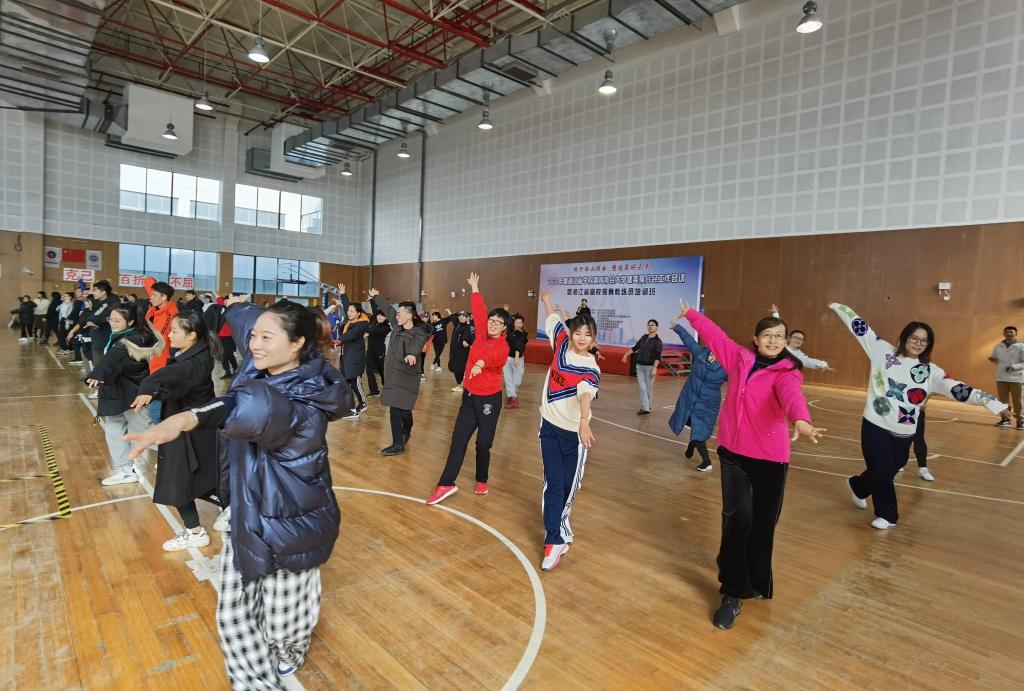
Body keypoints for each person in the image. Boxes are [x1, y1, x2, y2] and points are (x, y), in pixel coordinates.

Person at [124, 297, 350, 687]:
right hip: (245, 512)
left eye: (266, 337)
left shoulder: (301, 399)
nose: (254, 344)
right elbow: (245, 320)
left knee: (282, 623)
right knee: (234, 616)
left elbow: (248, 408)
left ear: (297, 343)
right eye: (253, 336)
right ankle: (253, 683)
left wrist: (187, 418)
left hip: (291, 524)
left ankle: (291, 648)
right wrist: (234, 306)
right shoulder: (262, 362)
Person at [681, 299, 824, 631]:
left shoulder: (787, 372)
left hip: (771, 461)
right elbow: (716, 336)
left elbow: (792, 396)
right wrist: (691, 314)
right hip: (734, 455)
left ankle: (756, 580)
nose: (773, 341)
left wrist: (801, 420)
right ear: (756, 339)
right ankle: (732, 593)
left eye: (779, 336)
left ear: (786, 342)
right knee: (737, 521)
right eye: (767, 335)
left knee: (762, 526)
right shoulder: (739, 358)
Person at [831, 303, 1009, 532]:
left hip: (905, 430)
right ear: (904, 338)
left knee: (893, 466)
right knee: (882, 470)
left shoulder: (931, 371)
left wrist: (994, 404)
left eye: (924, 341)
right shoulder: (882, 351)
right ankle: (887, 514)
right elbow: (860, 328)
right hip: (875, 423)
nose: (918, 343)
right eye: (914, 338)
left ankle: (858, 486)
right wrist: (840, 307)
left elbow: (959, 389)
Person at [129, 311, 222, 551]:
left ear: (192, 335)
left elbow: (173, 375)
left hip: (186, 429)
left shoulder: (194, 362)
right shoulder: (192, 353)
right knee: (194, 478)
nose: (169, 335)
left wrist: (150, 386)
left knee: (177, 481)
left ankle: (196, 531)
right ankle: (228, 508)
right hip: (188, 427)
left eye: (175, 331)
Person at [426, 274, 511, 505]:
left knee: (483, 444)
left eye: (498, 322)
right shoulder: (481, 331)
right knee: (458, 441)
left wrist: (480, 364)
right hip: (470, 397)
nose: (492, 323)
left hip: (489, 400)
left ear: (504, 327)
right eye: (491, 320)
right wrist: (474, 287)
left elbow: (494, 358)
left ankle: (482, 478)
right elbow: (479, 308)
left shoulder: (503, 346)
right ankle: (446, 484)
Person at [536, 291, 601, 573]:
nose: (581, 338)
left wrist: (584, 421)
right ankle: (553, 539)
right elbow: (553, 320)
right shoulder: (561, 342)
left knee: (567, 488)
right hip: (549, 427)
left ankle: (561, 524)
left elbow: (586, 393)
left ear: (593, 339)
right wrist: (545, 300)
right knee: (553, 483)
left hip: (574, 436)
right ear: (571, 333)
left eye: (588, 334)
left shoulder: (591, 367)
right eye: (578, 332)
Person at [84, 303, 163, 486]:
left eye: (117, 320)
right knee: (114, 431)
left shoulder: (127, 342)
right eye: (110, 319)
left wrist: (98, 374)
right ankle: (126, 471)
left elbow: (112, 360)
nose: (112, 323)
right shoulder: (125, 336)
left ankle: (175, 457)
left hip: (131, 395)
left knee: (146, 433)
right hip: (116, 393)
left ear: (131, 321)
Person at [370, 289, 431, 455]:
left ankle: (405, 431)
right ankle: (398, 443)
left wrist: (411, 353)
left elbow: (418, 343)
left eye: (400, 313)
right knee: (395, 410)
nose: (396, 315)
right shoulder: (397, 326)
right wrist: (376, 296)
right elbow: (388, 309)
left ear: (409, 315)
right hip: (392, 376)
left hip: (407, 377)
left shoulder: (418, 332)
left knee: (403, 410)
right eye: (397, 313)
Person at [668, 316, 727, 472]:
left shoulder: (726, 367)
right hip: (690, 397)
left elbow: (739, 379)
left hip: (707, 404)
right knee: (691, 424)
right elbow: (689, 341)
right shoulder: (701, 353)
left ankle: (707, 461)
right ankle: (690, 448)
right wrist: (678, 328)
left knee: (699, 429)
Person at [337, 285, 369, 416]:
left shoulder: (362, 324)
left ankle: (363, 403)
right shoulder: (350, 321)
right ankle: (349, 407)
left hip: (355, 358)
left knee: (355, 383)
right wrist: (343, 294)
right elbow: (347, 307)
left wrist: (338, 341)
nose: (349, 313)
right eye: (348, 311)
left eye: (352, 311)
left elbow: (351, 335)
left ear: (358, 313)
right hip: (345, 357)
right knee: (346, 383)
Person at [771, 305, 833, 370]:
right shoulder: (781, 345)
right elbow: (780, 329)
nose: (798, 340)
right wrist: (775, 313)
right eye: (796, 337)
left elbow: (809, 362)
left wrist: (823, 365)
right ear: (789, 338)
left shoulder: (799, 355)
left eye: (800, 339)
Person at [623, 319, 663, 415]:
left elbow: (658, 356)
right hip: (639, 367)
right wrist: (626, 354)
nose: (650, 326)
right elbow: (635, 347)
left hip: (650, 367)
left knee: (648, 389)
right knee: (642, 387)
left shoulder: (658, 341)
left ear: (657, 327)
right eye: (649, 325)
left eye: (653, 325)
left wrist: (655, 368)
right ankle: (646, 408)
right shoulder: (644, 337)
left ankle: (646, 407)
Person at [989, 325, 1024, 430]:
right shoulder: (998, 346)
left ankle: (1021, 421)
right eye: (1007, 332)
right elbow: (994, 357)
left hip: (1016, 378)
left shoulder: (1021, 346)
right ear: (1004, 334)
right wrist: (993, 359)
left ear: (1016, 334)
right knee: (1003, 402)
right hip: (1001, 377)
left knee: (1018, 401)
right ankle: (1005, 420)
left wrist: (1014, 367)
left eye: (1011, 332)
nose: (1009, 334)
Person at [85, 280, 119, 368]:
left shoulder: (112, 302)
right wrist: (89, 321)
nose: (93, 292)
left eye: (95, 290)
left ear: (103, 292)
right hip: (97, 337)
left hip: (105, 337)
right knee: (97, 363)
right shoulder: (97, 301)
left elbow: (109, 317)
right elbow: (93, 315)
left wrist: (97, 323)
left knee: (104, 363)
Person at [504, 313, 528, 408]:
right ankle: (513, 398)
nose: (518, 324)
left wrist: (517, 357)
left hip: (518, 359)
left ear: (522, 324)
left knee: (517, 381)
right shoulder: (509, 331)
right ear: (514, 323)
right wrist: (506, 312)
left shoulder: (523, 334)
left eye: (520, 323)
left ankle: (512, 395)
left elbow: (520, 345)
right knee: (508, 379)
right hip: (507, 358)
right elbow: (507, 322)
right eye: (516, 322)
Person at [447, 310, 474, 392]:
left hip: (463, 353)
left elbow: (468, 336)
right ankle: (461, 384)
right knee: (454, 367)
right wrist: (449, 312)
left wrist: (465, 342)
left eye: (463, 316)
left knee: (460, 368)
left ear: (467, 318)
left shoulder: (469, 327)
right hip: (454, 351)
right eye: (460, 316)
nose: (461, 317)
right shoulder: (458, 324)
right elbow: (452, 317)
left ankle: (461, 385)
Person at [365, 310, 390, 397]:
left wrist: (368, 331)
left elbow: (373, 331)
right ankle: (374, 391)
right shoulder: (374, 324)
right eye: (378, 315)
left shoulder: (386, 327)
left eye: (382, 315)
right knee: (369, 371)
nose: (379, 317)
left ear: (386, 317)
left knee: (382, 372)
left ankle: (387, 388)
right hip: (370, 352)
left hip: (380, 352)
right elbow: (370, 330)